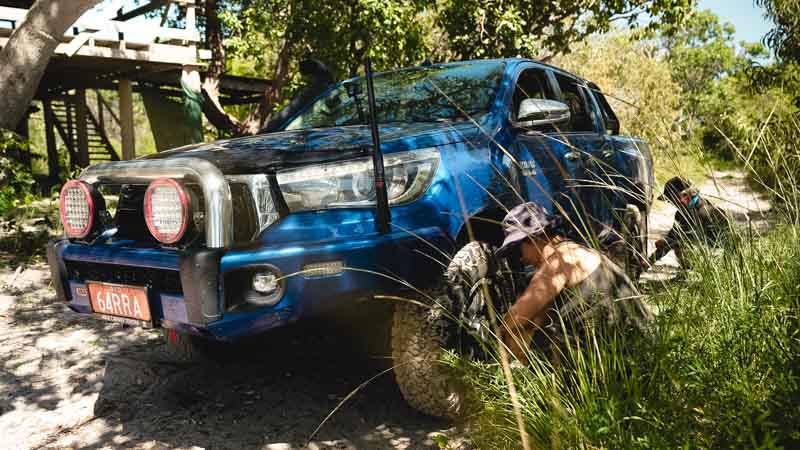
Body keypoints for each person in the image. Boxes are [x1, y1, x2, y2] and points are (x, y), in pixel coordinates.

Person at [493, 202, 653, 364]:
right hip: (640, 348)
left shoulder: (558, 262)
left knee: (518, 333)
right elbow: (537, 317)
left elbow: (515, 319)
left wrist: (495, 343)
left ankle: (536, 385)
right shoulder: (576, 250)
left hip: (625, 358)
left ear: (532, 239)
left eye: (517, 250)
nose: (521, 259)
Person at [647, 176, 729, 269]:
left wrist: (666, 244)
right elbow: (673, 236)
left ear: (685, 196)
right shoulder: (681, 214)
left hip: (716, 257)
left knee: (681, 244)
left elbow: (677, 240)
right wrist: (650, 260)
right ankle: (688, 271)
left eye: (670, 200)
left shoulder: (703, 212)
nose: (670, 203)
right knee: (675, 243)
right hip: (704, 250)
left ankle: (693, 274)